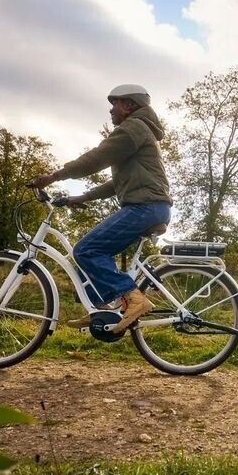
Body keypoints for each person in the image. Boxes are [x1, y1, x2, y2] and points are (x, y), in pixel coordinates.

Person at [32, 84, 172, 333]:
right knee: (94, 253)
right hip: (150, 207)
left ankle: (135, 299)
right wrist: (82, 197)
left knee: (86, 250)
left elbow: (97, 158)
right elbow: (116, 184)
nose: (110, 110)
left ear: (129, 105)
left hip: (145, 207)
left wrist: (55, 176)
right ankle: (101, 310)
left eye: (114, 103)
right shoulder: (140, 131)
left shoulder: (134, 127)